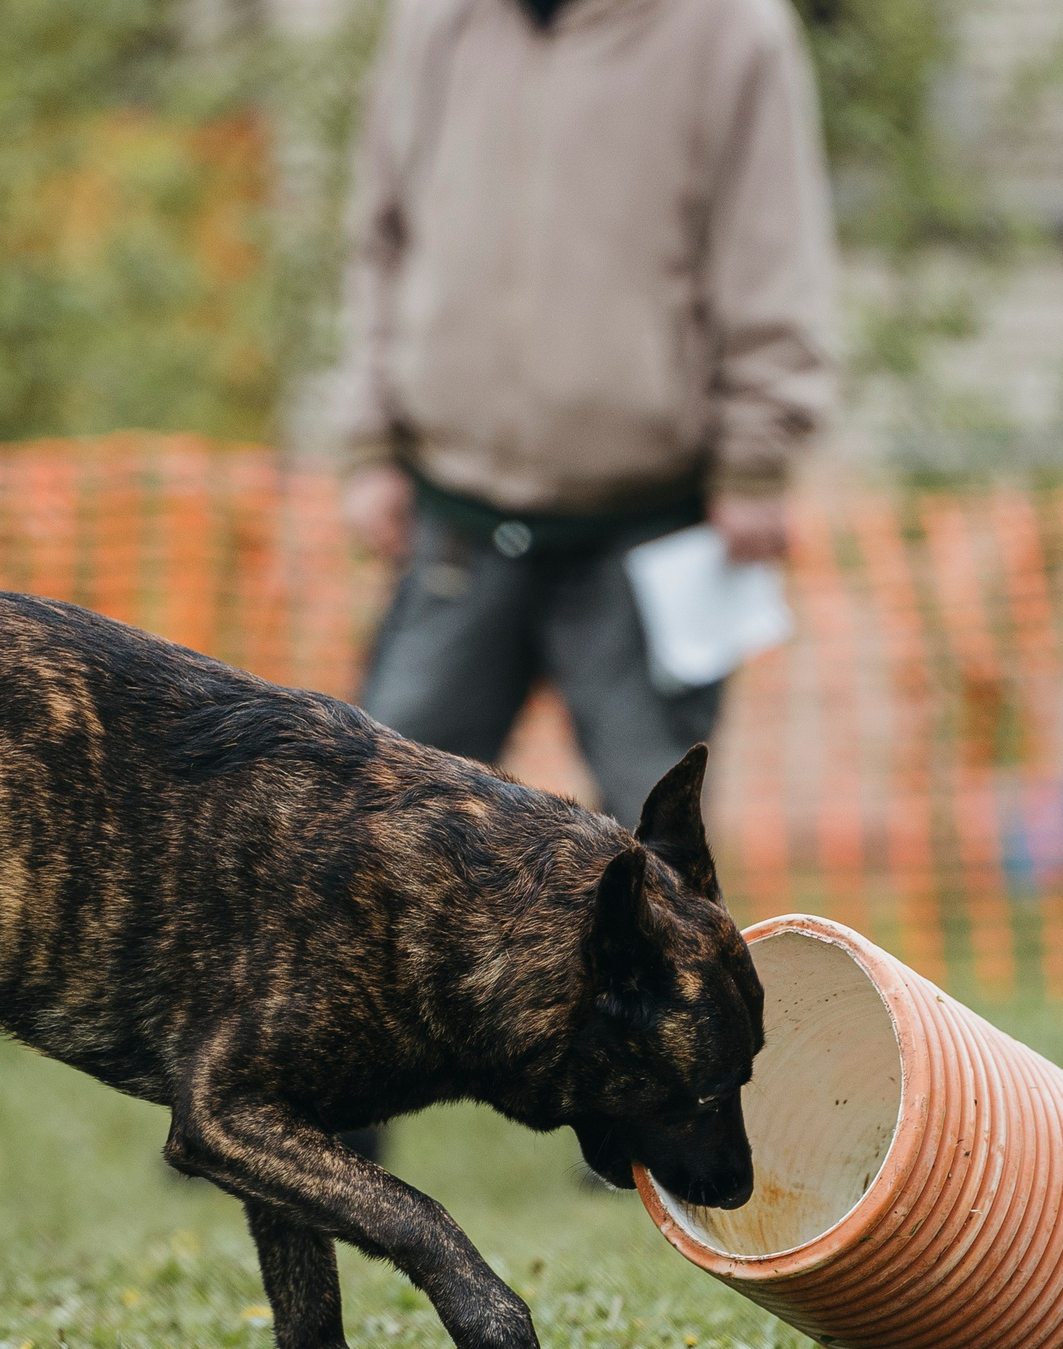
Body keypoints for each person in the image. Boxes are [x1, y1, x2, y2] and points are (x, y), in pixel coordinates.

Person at [330, 0, 837, 1163]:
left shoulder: (733, 33)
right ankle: (324, 1116)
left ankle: (671, 1113)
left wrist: (758, 451)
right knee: (370, 833)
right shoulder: (435, 23)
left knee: (655, 852)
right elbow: (379, 236)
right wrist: (368, 437)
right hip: (457, 509)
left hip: (649, 517)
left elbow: (770, 244)